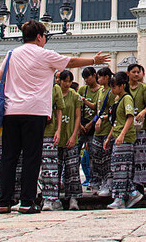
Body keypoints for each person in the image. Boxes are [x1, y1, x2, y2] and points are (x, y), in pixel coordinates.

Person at [0, 20, 110, 214]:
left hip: (11, 111)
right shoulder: (44, 54)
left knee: (9, 157)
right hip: (34, 112)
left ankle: (4, 202)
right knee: (32, 157)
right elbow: (70, 62)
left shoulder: (11, 54)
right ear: (40, 37)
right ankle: (26, 202)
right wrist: (94, 61)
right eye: (45, 37)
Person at [104, 72, 144, 209]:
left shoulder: (127, 99)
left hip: (125, 138)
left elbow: (130, 117)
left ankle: (120, 198)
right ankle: (131, 192)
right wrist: (110, 137)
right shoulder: (117, 100)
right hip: (117, 137)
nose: (112, 90)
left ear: (122, 86)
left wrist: (122, 135)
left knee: (121, 168)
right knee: (117, 167)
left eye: (114, 87)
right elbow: (115, 121)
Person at [37, 75, 65, 211]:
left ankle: (51, 198)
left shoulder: (55, 89)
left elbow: (59, 109)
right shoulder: (32, 86)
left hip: (49, 130)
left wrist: (58, 130)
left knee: (50, 168)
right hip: (32, 131)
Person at [57, 70, 83, 210]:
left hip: (70, 137)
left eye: (69, 81)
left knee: (72, 169)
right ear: (59, 81)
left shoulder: (75, 96)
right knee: (55, 169)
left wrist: (74, 135)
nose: (67, 84)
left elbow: (78, 117)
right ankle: (54, 198)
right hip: (57, 138)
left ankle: (73, 198)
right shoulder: (55, 94)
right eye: (64, 81)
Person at [127, 64, 146, 194]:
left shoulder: (143, 88)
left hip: (139, 127)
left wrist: (143, 112)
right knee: (127, 156)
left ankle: (140, 184)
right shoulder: (124, 88)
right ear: (128, 73)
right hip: (125, 128)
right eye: (133, 72)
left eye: (138, 72)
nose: (136, 74)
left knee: (140, 156)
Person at [91, 67, 115, 197]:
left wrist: (102, 118)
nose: (98, 79)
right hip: (98, 131)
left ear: (106, 77)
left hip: (107, 130)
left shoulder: (111, 92)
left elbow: (112, 112)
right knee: (97, 157)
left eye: (100, 77)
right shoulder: (101, 91)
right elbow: (97, 108)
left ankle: (109, 183)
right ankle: (101, 181)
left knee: (107, 158)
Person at [78, 66, 103, 187]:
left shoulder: (101, 90)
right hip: (81, 126)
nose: (86, 81)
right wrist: (79, 125)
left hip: (93, 127)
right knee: (74, 152)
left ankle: (95, 180)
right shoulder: (83, 90)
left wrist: (90, 124)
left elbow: (99, 109)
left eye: (88, 77)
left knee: (94, 155)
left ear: (94, 75)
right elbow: (76, 107)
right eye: (84, 79)